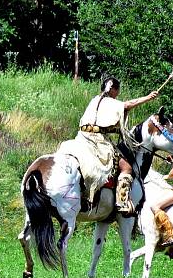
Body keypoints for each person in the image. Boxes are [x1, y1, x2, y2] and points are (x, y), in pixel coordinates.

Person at [60, 76, 158, 215]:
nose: (118, 94)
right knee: (126, 166)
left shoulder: (95, 100)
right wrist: (148, 97)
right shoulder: (109, 102)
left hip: (81, 136)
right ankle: (121, 201)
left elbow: (103, 122)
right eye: (117, 90)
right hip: (97, 140)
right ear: (112, 89)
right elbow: (127, 105)